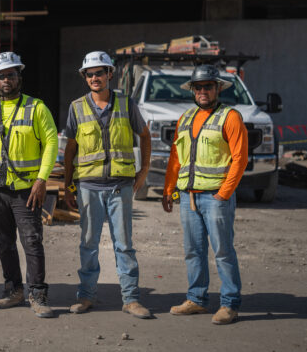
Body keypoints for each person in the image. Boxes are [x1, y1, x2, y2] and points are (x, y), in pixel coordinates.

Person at [63, 51, 152, 319]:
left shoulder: (126, 103)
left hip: (120, 186)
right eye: (89, 74)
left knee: (124, 245)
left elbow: (145, 137)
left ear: (109, 74)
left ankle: (131, 299)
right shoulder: (77, 107)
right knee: (88, 244)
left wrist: (143, 171)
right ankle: (86, 296)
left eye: (99, 73)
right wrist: (68, 185)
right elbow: (70, 149)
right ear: (85, 77)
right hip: (89, 187)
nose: (94, 77)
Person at [162, 64, 248, 325]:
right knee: (193, 250)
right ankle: (197, 299)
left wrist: (224, 193)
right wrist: (169, 189)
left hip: (215, 197)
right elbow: (176, 157)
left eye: (208, 86)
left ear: (217, 88)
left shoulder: (230, 117)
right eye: (198, 87)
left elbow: (240, 158)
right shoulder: (186, 118)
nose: (202, 91)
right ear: (193, 90)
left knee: (223, 251)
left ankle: (230, 304)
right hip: (189, 197)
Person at [0, 52, 59, 318]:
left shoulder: (36, 108)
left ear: (19, 77)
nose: (6, 80)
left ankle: (37, 294)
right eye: (1, 76)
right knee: (4, 243)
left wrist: (41, 179)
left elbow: (51, 143)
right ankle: (13, 291)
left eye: (11, 75)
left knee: (32, 242)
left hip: (27, 190)